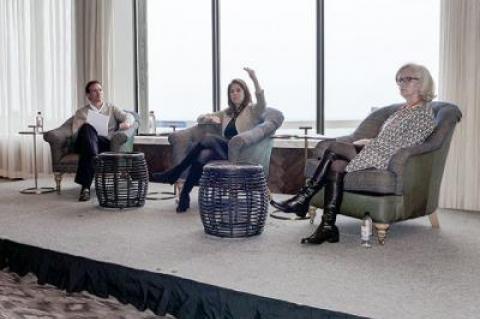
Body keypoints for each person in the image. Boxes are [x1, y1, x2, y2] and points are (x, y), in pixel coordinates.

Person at [270, 63, 437, 245]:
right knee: (336, 164)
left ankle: (303, 199)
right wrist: (366, 142)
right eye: (399, 79)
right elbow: (385, 136)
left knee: (333, 148)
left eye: (408, 79)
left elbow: (405, 145)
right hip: (375, 150)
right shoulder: (402, 111)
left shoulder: (424, 114)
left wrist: (368, 143)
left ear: (422, 83)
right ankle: (327, 227)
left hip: (385, 157)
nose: (402, 83)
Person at [152, 67, 266, 212]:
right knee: (202, 155)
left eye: (238, 90)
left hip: (240, 152)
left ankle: (174, 173)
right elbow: (200, 118)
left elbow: (262, 102)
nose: (235, 94)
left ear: (245, 92)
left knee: (208, 138)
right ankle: (185, 195)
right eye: (232, 91)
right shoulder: (226, 113)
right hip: (223, 151)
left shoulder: (252, 111)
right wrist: (208, 118)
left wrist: (254, 78)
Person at [72, 80, 135, 201]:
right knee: (87, 128)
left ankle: (85, 188)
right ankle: (93, 155)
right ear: (88, 95)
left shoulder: (111, 108)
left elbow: (129, 116)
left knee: (88, 153)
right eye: (94, 91)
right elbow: (75, 134)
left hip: (104, 142)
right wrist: (87, 127)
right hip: (85, 142)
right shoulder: (81, 112)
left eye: (100, 90)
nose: (98, 93)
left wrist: (125, 124)